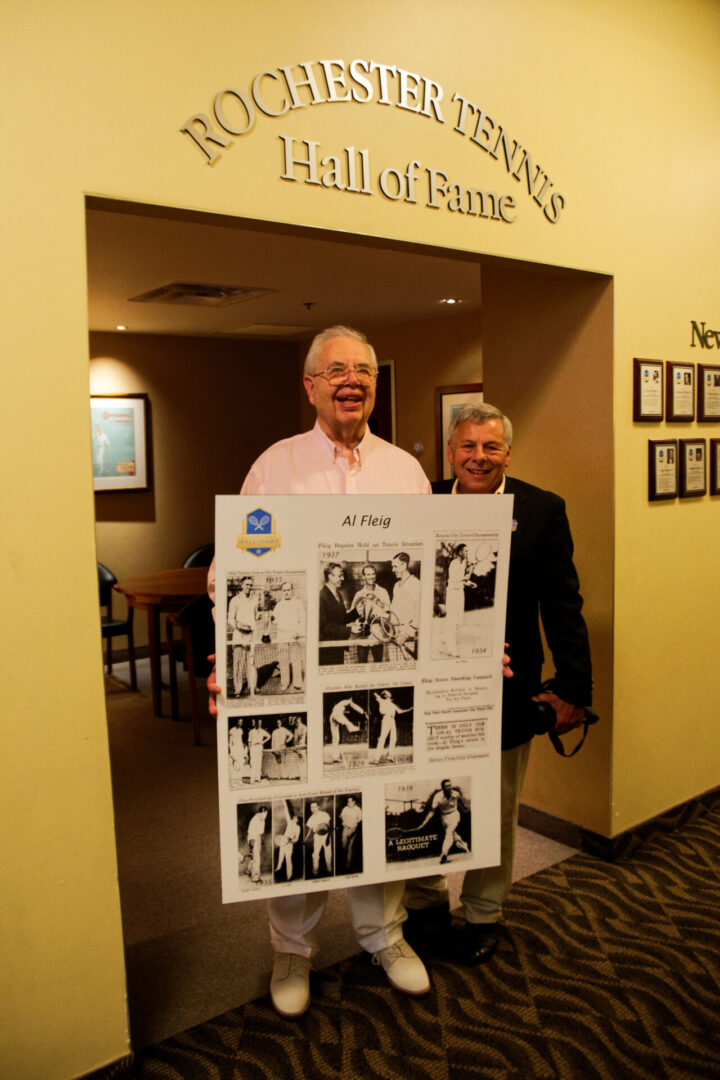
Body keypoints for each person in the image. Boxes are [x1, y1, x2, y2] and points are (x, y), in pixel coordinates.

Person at [209, 325, 432, 1018]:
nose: (352, 380)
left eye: (363, 369)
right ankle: (291, 950)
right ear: (310, 385)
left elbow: (424, 579)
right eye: (336, 369)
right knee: (296, 812)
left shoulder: (406, 471)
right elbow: (229, 575)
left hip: (385, 670)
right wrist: (238, 661)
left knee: (382, 800)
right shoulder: (273, 469)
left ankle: (382, 935)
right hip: (302, 676)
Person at [404, 402, 592, 965]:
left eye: (490, 447)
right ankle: (424, 900)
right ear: (450, 452)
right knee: (426, 791)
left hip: (508, 688)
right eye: (467, 446)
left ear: (507, 452)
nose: (478, 458)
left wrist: (574, 689)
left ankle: (485, 911)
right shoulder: (421, 503)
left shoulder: (541, 510)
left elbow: (563, 604)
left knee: (496, 801)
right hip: (429, 684)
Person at [415, 779, 470, 864]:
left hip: (454, 815)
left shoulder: (455, 793)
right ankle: (464, 846)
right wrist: (423, 824)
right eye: (447, 786)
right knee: (453, 835)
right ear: (443, 788)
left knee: (449, 832)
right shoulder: (437, 797)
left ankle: (444, 854)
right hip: (444, 818)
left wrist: (463, 808)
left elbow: (459, 801)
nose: (449, 787)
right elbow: (432, 812)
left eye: (450, 785)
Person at [318, 563, 359, 665]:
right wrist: (350, 630)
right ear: (330, 577)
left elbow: (342, 618)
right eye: (340, 575)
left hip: (338, 646)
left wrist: (357, 611)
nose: (343, 578)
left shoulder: (338, 595)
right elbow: (324, 626)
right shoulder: (321, 596)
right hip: (326, 649)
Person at [349, 563, 390, 663]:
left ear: (375, 575)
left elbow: (388, 613)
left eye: (373, 574)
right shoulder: (359, 594)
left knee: (379, 664)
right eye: (368, 574)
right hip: (362, 637)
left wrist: (379, 616)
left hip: (378, 635)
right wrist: (360, 619)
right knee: (362, 664)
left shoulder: (383, 592)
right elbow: (351, 614)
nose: (371, 577)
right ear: (363, 576)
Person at [228, 576, 259, 696]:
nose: (249, 587)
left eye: (250, 585)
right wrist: (240, 627)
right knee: (238, 664)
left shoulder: (255, 599)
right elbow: (230, 619)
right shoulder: (234, 600)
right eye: (246, 584)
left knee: (251, 662)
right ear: (242, 585)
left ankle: (253, 686)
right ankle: (238, 689)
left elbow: (255, 616)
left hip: (251, 636)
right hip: (239, 636)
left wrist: (259, 618)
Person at [272, 581, 305, 690]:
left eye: (288, 590)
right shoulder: (279, 605)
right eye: (284, 590)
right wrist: (271, 618)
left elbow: (302, 620)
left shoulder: (298, 603)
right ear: (282, 592)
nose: (286, 592)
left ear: (292, 591)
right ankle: (285, 683)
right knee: (283, 660)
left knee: (295, 659)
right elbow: (274, 620)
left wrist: (297, 633)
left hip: (293, 636)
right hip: (282, 636)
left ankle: (297, 682)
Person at [389, 552, 420, 659]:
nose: (393, 570)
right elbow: (393, 610)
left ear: (404, 565)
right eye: (392, 567)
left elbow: (420, 612)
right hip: (394, 635)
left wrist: (406, 634)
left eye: (395, 566)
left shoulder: (415, 584)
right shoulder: (396, 586)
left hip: (407, 636)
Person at [373, 689, 411, 764]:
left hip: (392, 720)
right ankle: (376, 758)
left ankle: (390, 756)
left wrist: (409, 709)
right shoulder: (382, 701)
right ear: (385, 695)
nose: (389, 693)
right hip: (386, 719)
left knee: (393, 738)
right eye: (387, 693)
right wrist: (377, 693)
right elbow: (375, 694)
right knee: (382, 738)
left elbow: (400, 711)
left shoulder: (393, 704)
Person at [327, 695, 365, 763]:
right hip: (337, 715)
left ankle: (335, 757)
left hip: (332, 717)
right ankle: (354, 729)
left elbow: (342, 711)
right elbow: (354, 706)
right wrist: (362, 711)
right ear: (350, 698)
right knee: (347, 722)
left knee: (335, 738)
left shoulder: (339, 704)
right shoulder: (347, 701)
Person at [305, 800, 333, 877]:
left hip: (326, 836)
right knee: (315, 854)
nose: (313, 809)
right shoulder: (311, 818)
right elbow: (309, 831)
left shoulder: (325, 814)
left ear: (318, 807)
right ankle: (315, 871)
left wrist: (328, 837)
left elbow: (329, 826)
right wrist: (306, 839)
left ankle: (329, 870)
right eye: (311, 807)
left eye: (314, 807)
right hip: (317, 837)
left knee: (328, 854)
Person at [275, 800, 301, 882]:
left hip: (289, 844)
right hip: (283, 841)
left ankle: (289, 875)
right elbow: (286, 812)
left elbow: (297, 839)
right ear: (292, 819)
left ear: (297, 820)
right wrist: (284, 803)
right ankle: (278, 868)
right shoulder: (289, 823)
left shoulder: (298, 828)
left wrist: (290, 841)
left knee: (288, 859)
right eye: (293, 818)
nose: (294, 819)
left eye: (296, 818)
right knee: (280, 856)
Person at [339, 795, 363, 871]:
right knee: (344, 846)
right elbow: (341, 816)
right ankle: (343, 863)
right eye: (347, 801)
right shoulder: (345, 809)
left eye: (349, 801)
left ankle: (348, 867)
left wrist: (354, 825)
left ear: (354, 802)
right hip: (345, 828)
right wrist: (344, 820)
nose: (348, 803)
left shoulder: (358, 810)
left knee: (350, 848)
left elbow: (360, 819)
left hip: (353, 829)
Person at [247, 806, 269, 884]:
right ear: (259, 813)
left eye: (266, 814)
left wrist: (261, 840)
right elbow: (251, 836)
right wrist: (251, 848)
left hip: (258, 838)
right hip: (253, 839)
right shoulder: (254, 821)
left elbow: (261, 832)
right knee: (257, 859)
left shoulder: (262, 818)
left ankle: (248, 870)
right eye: (264, 814)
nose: (265, 816)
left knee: (255, 857)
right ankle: (255, 878)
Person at [247, 717, 270, 784]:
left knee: (259, 763)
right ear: (256, 723)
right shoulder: (251, 731)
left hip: (259, 747)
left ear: (261, 724)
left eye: (260, 723)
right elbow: (249, 741)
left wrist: (263, 742)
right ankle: (252, 779)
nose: (259, 724)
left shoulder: (262, 731)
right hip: (253, 747)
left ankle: (258, 778)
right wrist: (249, 750)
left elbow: (269, 736)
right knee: (253, 763)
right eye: (258, 723)